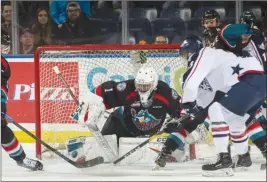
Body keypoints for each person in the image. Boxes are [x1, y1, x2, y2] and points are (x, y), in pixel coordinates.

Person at [155, 32, 266, 176]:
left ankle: (229, 158)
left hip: (235, 93)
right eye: (185, 54)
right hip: (223, 99)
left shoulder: (210, 63)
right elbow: (199, 98)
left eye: (188, 53)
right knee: (234, 118)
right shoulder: (194, 71)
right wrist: (186, 114)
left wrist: (191, 111)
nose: (187, 57)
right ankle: (166, 152)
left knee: (238, 118)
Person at [1, 54, 43, 171]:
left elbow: (2, 86)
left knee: (2, 130)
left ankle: (21, 159)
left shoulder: (2, 64)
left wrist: (1, 106)